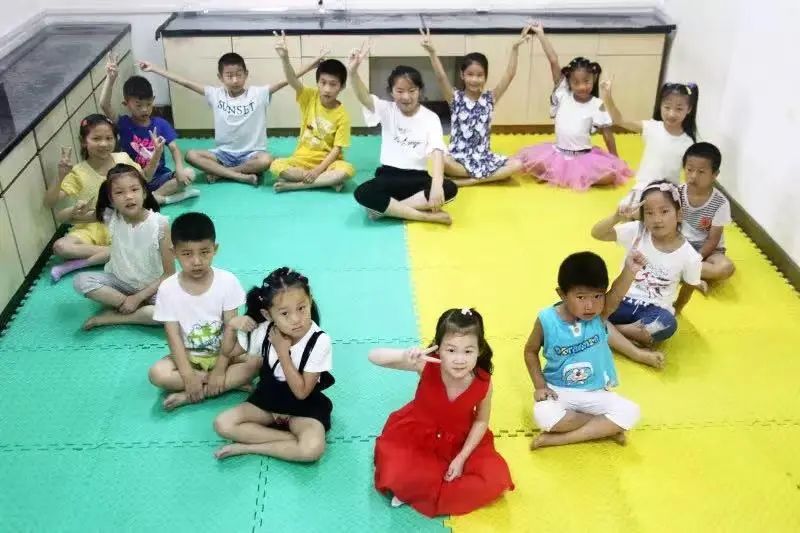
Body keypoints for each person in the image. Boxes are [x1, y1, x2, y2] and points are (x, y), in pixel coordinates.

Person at [369, 308, 513, 517]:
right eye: (451, 350)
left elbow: (481, 421)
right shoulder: (426, 365)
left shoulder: (483, 382)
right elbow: (373, 356)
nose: (459, 359)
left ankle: (417, 489)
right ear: (438, 349)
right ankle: (414, 486)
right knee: (399, 471)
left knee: (494, 478)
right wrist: (405, 355)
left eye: (468, 351)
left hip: (460, 440)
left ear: (479, 350)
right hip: (417, 436)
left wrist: (461, 457)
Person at [139, 52, 324, 185]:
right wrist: (154, 69)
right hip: (223, 154)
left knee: (266, 160)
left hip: (252, 155)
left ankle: (223, 174)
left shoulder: (258, 94)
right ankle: (240, 176)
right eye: (229, 76)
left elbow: (287, 80)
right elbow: (184, 82)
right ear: (220, 77)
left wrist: (312, 65)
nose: (235, 80)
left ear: (246, 74)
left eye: (238, 75)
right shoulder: (215, 94)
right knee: (191, 155)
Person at [524, 251, 643, 449]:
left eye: (597, 296)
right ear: (562, 294)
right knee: (544, 416)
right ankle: (605, 428)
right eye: (580, 297)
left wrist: (630, 270)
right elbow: (530, 351)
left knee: (632, 411)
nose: (590, 305)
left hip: (595, 392)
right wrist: (540, 386)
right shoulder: (546, 319)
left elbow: (617, 294)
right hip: (558, 390)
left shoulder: (600, 315)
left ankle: (557, 439)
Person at [214, 267, 333, 463]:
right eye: (284, 313)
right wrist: (232, 325)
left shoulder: (319, 341)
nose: (296, 319)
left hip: (303, 408)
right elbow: (228, 352)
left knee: (312, 450)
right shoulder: (263, 330)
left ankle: (248, 447)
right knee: (222, 424)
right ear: (268, 314)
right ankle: (290, 442)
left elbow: (302, 392)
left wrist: (282, 352)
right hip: (268, 401)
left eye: (302, 308)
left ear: (310, 300)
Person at [147, 212, 260, 410]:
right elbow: (173, 336)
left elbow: (231, 329)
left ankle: (190, 395)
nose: (197, 261)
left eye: (204, 252)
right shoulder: (168, 288)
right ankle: (225, 384)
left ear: (215, 249)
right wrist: (188, 375)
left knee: (259, 362)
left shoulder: (227, 282)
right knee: (157, 374)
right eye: (187, 254)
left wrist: (220, 369)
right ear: (174, 253)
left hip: (225, 354)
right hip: (189, 357)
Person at [591, 180, 703, 368]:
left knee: (666, 324)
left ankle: (605, 331)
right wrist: (616, 217)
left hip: (654, 310)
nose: (657, 219)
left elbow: (690, 286)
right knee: (585, 308)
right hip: (620, 300)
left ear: (679, 214)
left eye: (664, 211)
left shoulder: (690, 256)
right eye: (649, 213)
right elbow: (597, 233)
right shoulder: (637, 231)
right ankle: (636, 352)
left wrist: (678, 308)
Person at [349, 42, 457, 224]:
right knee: (362, 192)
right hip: (387, 178)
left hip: (418, 180)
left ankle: (387, 210)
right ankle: (424, 216)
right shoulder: (386, 109)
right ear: (391, 92)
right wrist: (352, 72)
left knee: (449, 187)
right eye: (400, 91)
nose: (406, 97)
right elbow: (364, 97)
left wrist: (437, 183)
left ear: (420, 91)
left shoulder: (430, 117)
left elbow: (437, 151)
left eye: (412, 91)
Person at [513, 24, 631, 190]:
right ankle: (564, 175)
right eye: (576, 82)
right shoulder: (563, 94)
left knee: (610, 175)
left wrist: (615, 159)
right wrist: (540, 34)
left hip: (583, 157)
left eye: (586, 82)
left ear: (594, 79)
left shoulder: (596, 104)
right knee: (525, 162)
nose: (582, 87)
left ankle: (567, 176)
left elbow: (607, 134)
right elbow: (553, 60)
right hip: (558, 154)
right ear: (569, 82)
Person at [420, 25, 529, 186]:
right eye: (470, 74)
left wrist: (514, 48)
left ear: (485, 76)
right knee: (442, 160)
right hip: (458, 159)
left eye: (479, 75)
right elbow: (441, 77)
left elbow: (509, 74)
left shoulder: (490, 98)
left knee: (518, 164)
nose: (474, 79)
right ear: (462, 75)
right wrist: (432, 52)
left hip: (483, 158)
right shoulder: (455, 98)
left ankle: (468, 181)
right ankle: (488, 177)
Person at [72, 164, 173, 330]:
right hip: (119, 283)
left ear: (144, 192)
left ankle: (112, 317)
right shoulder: (112, 217)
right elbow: (65, 218)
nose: (128, 196)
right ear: (111, 199)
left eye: (134, 189)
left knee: (174, 314)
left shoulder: (160, 225)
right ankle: (130, 306)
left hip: (151, 287)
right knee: (80, 281)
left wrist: (138, 298)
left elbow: (169, 274)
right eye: (119, 192)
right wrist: (76, 209)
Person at [99, 53, 199, 205]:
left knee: (189, 173)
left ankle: (151, 199)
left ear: (153, 100)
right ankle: (162, 199)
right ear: (126, 104)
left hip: (160, 178)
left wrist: (179, 169)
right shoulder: (123, 124)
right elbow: (104, 105)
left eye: (148, 104)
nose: (144, 109)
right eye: (138, 105)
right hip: (134, 180)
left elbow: (174, 148)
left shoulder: (161, 123)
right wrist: (110, 79)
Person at [271, 31, 354, 192]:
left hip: (328, 163)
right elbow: (291, 80)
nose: (327, 89)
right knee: (275, 165)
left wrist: (318, 170)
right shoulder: (309, 97)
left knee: (347, 170)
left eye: (333, 84)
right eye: (323, 83)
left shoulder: (343, 115)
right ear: (317, 82)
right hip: (301, 159)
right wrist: (285, 58)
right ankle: (326, 181)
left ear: (342, 86)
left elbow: (337, 149)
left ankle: (296, 186)